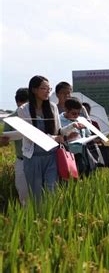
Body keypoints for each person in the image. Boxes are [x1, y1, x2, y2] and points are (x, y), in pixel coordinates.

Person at [18, 75, 65, 205]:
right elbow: (30, 134)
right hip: (33, 157)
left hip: (51, 156)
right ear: (34, 90)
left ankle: (51, 219)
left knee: (51, 191)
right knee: (36, 195)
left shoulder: (53, 107)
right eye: (43, 88)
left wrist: (69, 132)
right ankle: (38, 222)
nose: (47, 91)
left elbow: (58, 129)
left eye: (48, 89)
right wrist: (54, 138)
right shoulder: (23, 110)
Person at [0, 88, 30, 205]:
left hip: (39, 159)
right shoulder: (11, 118)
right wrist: (4, 140)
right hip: (21, 160)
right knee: (23, 194)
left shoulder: (37, 115)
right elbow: (4, 141)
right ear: (17, 103)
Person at [60, 98, 95, 176]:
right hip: (67, 155)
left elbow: (88, 134)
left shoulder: (80, 119)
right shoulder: (59, 120)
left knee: (84, 176)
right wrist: (68, 136)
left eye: (78, 113)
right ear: (66, 109)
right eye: (74, 113)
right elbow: (60, 133)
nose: (76, 116)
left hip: (82, 154)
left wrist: (86, 128)